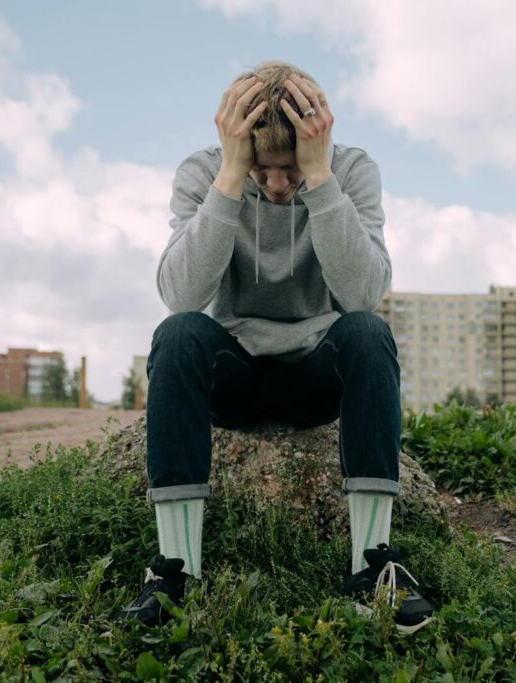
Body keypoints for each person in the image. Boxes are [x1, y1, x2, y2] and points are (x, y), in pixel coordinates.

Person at [113, 60, 434, 635]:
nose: (279, 184)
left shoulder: (352, 171)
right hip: (232, 375)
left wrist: (320, 179)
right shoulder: (204, 173)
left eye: (290, 169)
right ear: (236, 147)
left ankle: (372, 568)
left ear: (315, 146)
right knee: (179, 334)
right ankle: (174, 573)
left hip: (317, 375)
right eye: (264, 169)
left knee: (368, 333)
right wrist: (232, 179)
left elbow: (363, 294)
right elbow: (180, 294)